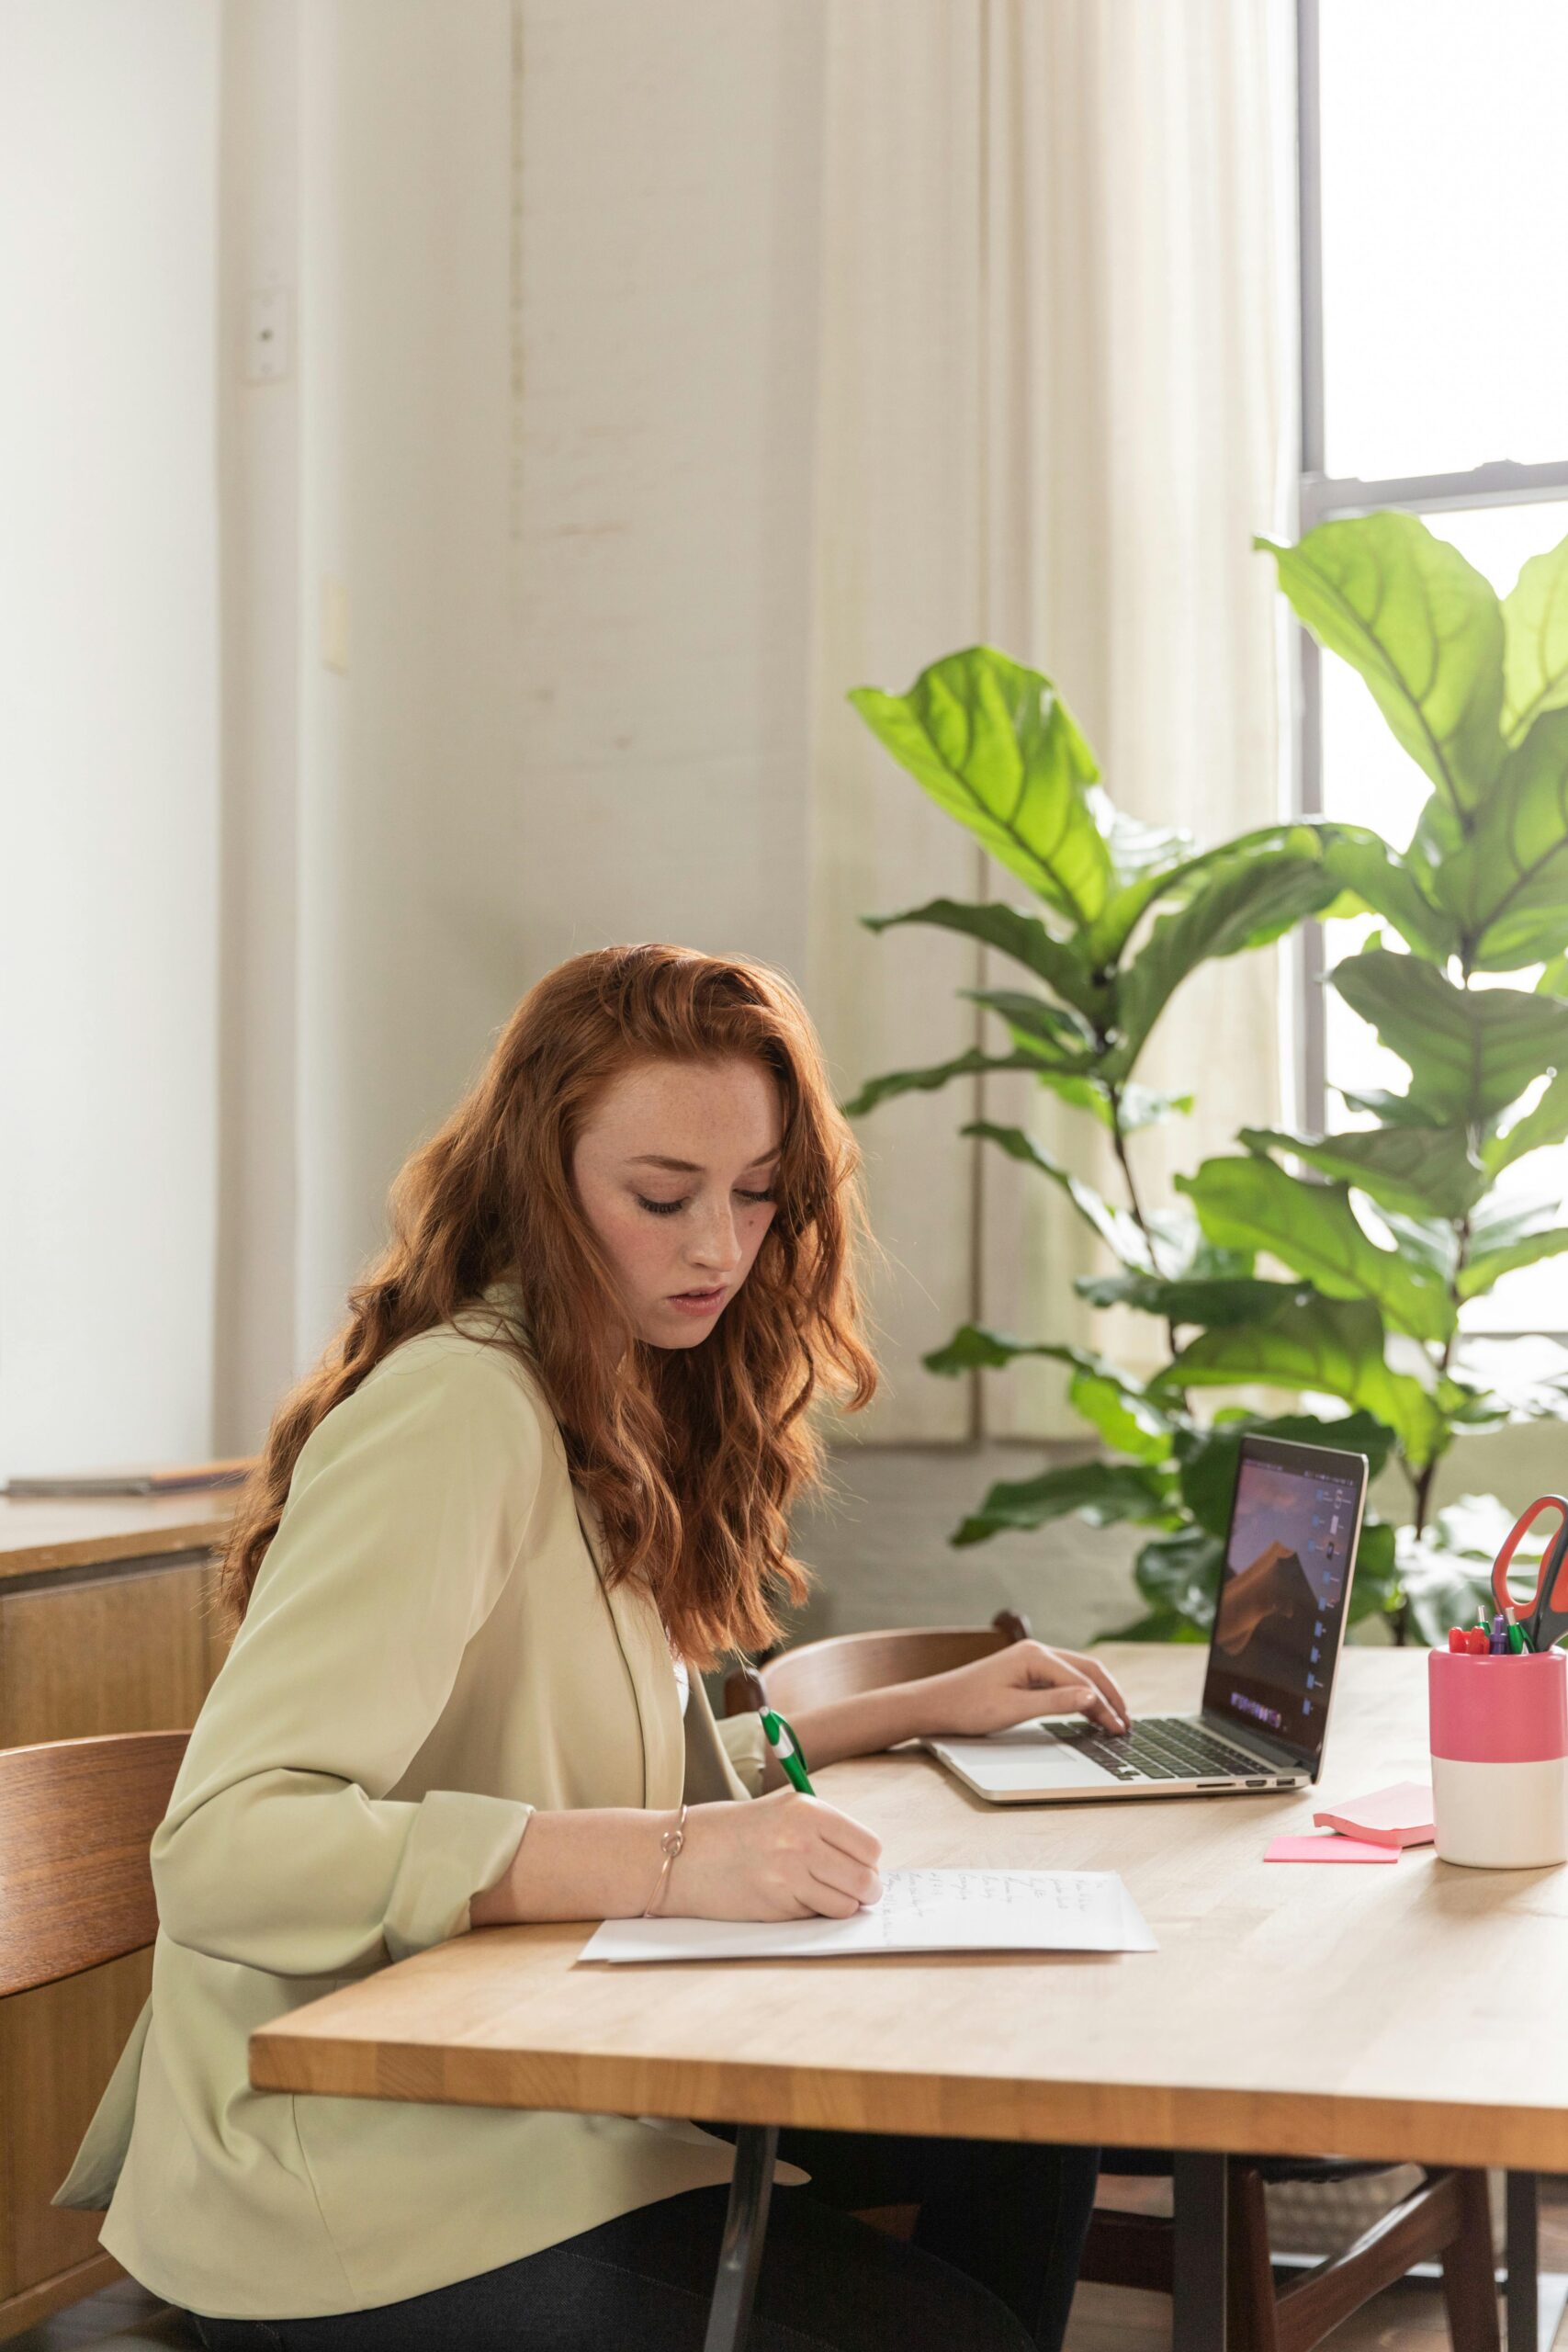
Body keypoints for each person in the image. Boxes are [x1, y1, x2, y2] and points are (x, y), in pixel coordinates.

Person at [58, 944, 1132, 2352]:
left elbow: (584, 1767)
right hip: (353, 2183)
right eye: (660, 1196)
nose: (718, 1248)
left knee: (1025, 2121)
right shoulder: (458, 1413)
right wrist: (675, 1859)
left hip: (535, 2095)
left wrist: (913, 1709)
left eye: (756, 1196)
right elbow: (225, 1848)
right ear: (538, 1183)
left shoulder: (609, 1396)